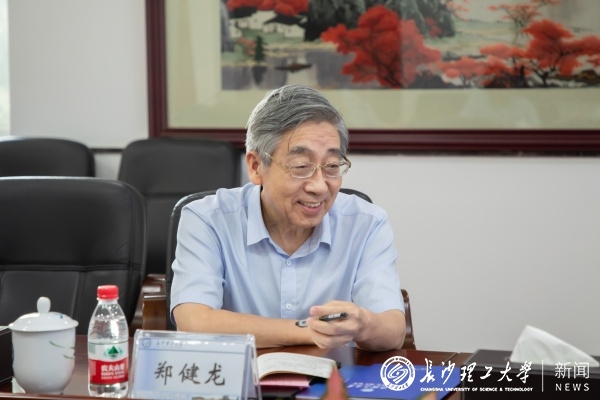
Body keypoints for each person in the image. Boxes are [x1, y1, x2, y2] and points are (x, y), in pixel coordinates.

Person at [170, 84, 406, 351]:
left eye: (331, 166)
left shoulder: (367, 223)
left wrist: (363, 324)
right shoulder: (207, 219)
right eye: (301, 166)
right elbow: (194, 322)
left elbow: (394, 331)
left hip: (335, 375)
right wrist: (311, 330)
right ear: (256, 167)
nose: (319, 186)